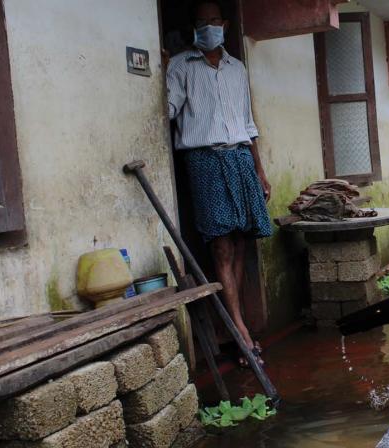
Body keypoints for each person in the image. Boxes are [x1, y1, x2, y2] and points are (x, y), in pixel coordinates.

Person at [165, 1, 271, 367]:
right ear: (193, 27)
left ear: (224, 25)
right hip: (205, 160)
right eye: (200, 22)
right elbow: (167, 112)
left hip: (240, 157)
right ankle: (241, 330)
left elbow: (247, 121)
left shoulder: (236, 68)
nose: (207, 27)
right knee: (221, 246)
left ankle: (237, 323)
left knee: (241, 243)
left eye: (213, 21)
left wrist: (259, 170)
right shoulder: (180, 66)